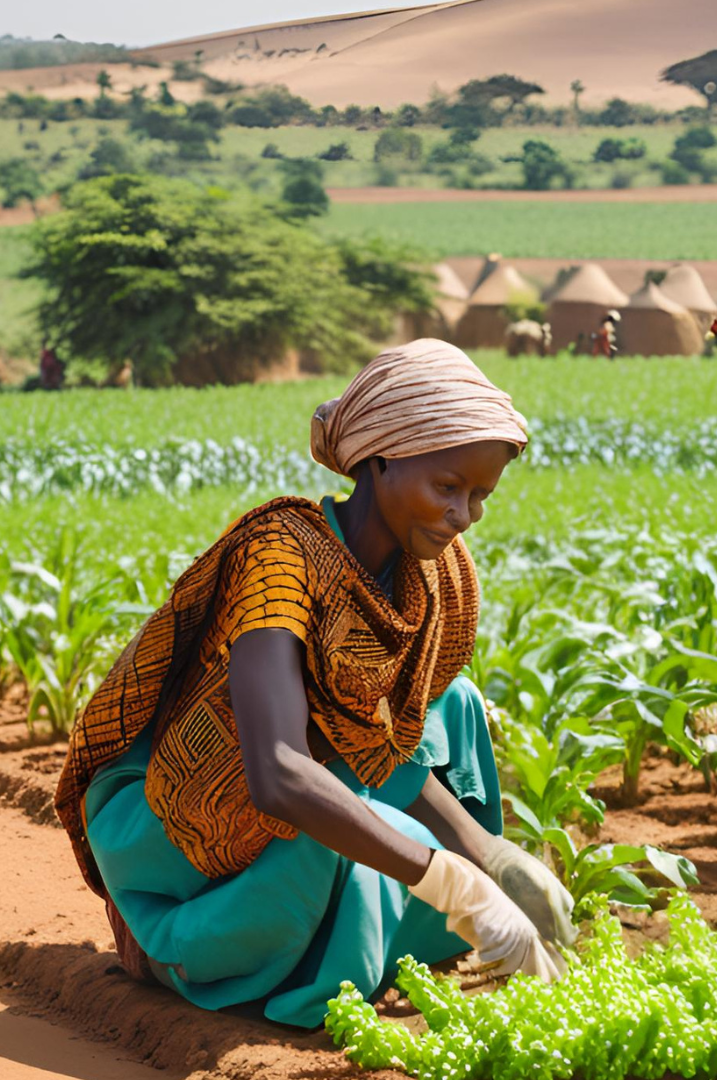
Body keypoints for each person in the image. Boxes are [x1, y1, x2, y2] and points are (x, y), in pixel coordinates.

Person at [54, 340, 570, 1029]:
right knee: (340, 829)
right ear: (381, 459)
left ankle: (400, 915)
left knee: (452, 706)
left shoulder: (428, 574)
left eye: (480, 496)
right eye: (447, 488)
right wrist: (449, 880)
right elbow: (280, 776)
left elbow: (382, 739)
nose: (463, 515)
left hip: (292, 781)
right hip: (176, 815)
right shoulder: (279, 556)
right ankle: (185, 942)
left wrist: (491, 859)